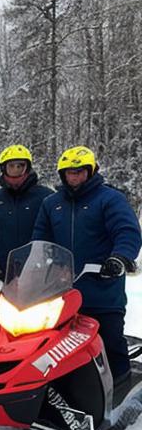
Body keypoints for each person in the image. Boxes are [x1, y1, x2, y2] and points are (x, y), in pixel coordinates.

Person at [33, 146, 142, 389]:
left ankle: (121, 385)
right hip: (62, 292)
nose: (74, 178)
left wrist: (119, 258)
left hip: (102, 287)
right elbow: (40, 238)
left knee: (110, 339)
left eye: (79, 172)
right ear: (62, 175)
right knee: (56, 343)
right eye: (69, 173)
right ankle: (62, 388)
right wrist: (39, 264)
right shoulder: (52, 203)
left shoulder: (109, 199)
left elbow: (127, 231)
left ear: (91, 171)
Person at [0, 145, 53, 280]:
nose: (16, 171)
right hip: (6, 274)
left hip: (42, 273)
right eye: (11, 167)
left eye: (20, 166)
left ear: (28, 168)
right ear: (3, 169)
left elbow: (58, 229)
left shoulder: (47, 197)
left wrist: (56, 261)